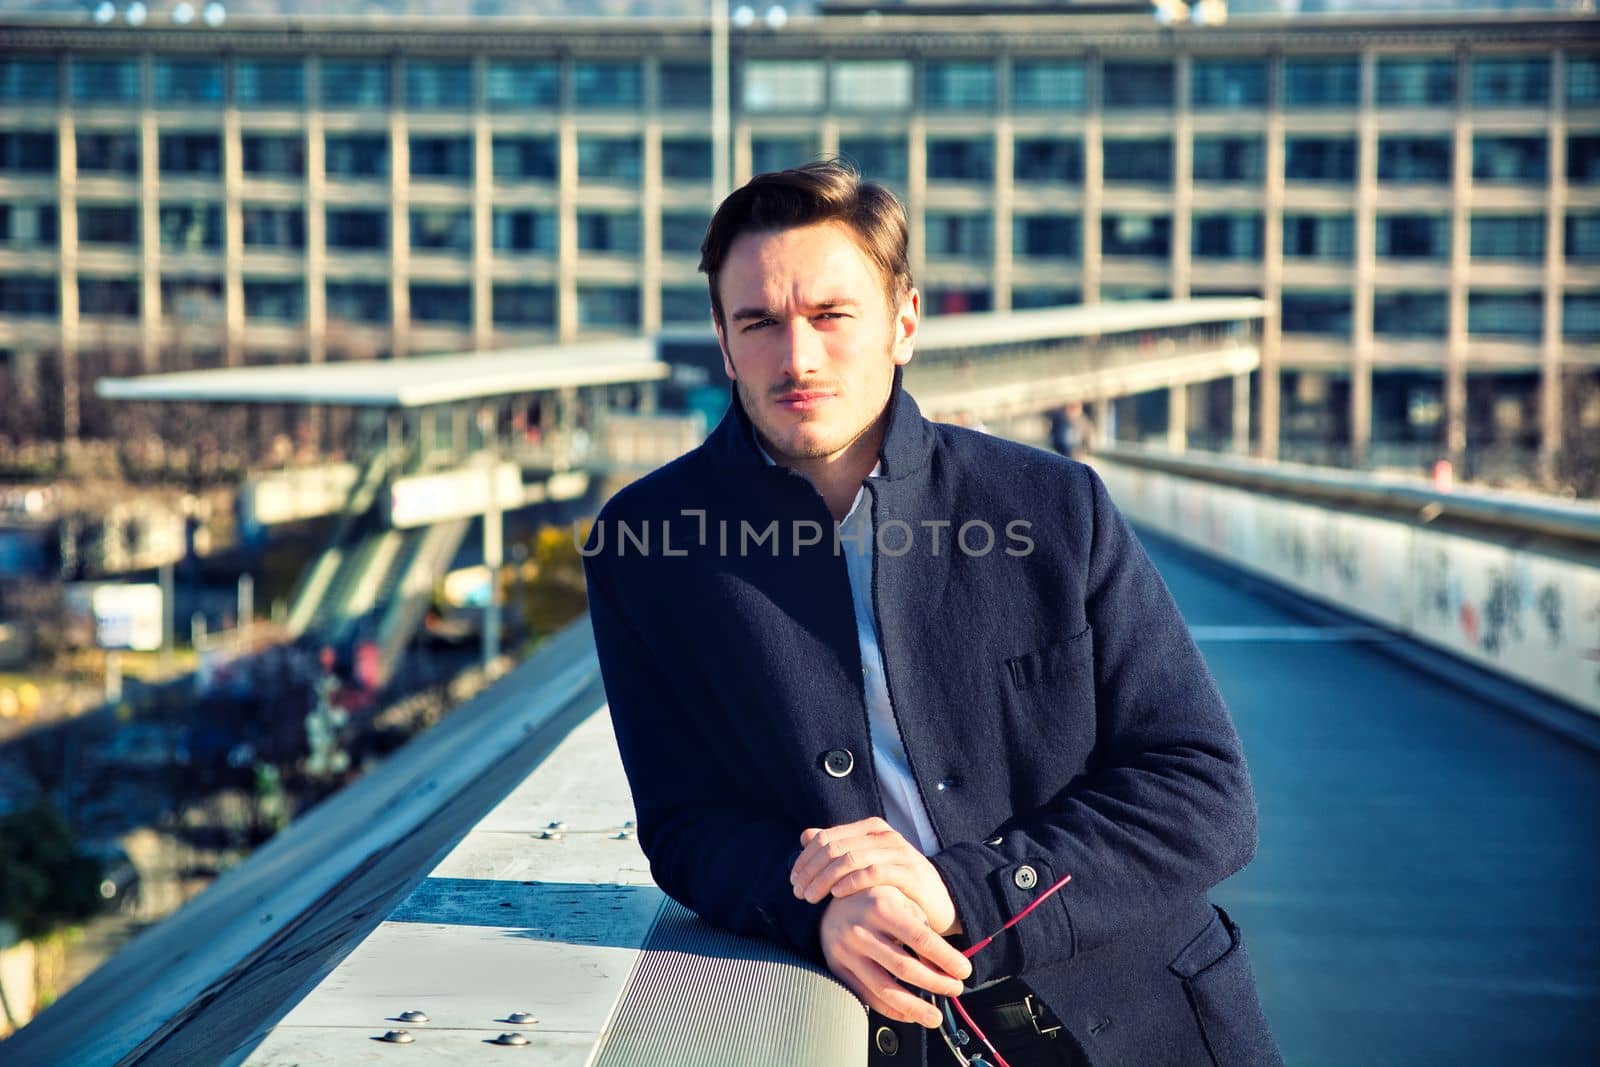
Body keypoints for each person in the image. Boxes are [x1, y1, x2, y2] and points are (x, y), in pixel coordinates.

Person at [581, 161, 1279, 1066]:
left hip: (1146, 1023)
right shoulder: (647, 545)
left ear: (903, 322)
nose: (797, 357)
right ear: (723, 340)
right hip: (872, 1035)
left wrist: (962, 891)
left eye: (833, 315)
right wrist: (818, 911)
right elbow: (685, 826)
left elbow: (1206, 793)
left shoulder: (1055, 506)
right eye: (759, 322)